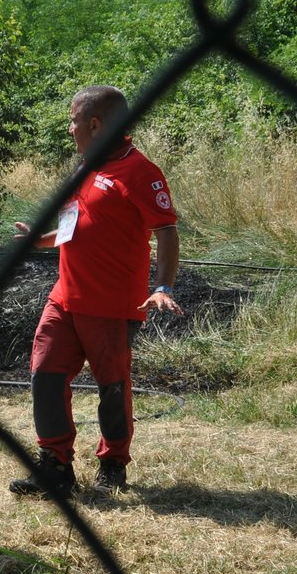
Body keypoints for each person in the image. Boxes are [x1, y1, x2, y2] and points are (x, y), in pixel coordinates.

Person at [11, 85, 182, 499]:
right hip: (65, 296)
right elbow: (73, 226)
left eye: (72, 121)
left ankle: (112, 464)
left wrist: (162, 286)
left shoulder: (141, 172)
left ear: (94, 124)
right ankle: (55, 467)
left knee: (112, 387)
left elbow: (167, 231)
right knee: (45, 373)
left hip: (111, 304)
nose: (69, 129)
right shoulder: (84, 168)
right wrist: (42, 240)